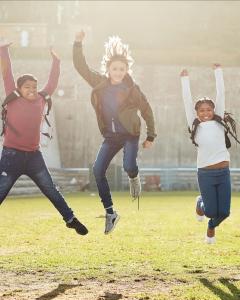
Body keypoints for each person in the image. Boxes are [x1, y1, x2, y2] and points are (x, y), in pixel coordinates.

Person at [0, 39, 88, 235]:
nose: (31, 90)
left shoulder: (41, 98)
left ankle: (70, 219)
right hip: (11, 157)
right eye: (27, 87)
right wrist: (3, 50)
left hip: (33, 157)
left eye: (34, 86)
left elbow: (53, 81)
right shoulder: (12, 98)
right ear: (19, 89)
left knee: (51, 189)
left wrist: (56, 60)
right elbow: (7, 73)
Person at [73, 31, 156, 234]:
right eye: (114, 68)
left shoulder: (133, 89)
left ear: (127, 70)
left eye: (122, 69)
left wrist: (151, 135)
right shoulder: (99, 83)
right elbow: (80, 67)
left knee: (129, 165)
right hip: (110, 137)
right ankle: (110, 213)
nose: (118, 72)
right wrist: (77, 43)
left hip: (130, 135)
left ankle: (134, 177)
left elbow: (146, 110)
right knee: (98, 170)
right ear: (108, 69)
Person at [180, 64, 231, 244]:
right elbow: (186, 101)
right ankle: (200, 203)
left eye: (209, 109)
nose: (206, 113)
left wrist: (218, 72)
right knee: (210, 210)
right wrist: (185, 81)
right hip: (206, 173)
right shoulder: (194, 125)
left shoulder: (219, 122)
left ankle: (211, 227)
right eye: (202, 110)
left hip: (223, 172)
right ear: (197, 113)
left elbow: (221, 94)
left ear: (214, 110)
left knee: (224, 212)